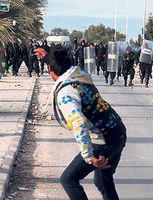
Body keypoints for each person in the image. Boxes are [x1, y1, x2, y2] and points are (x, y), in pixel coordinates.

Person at [34, 46, 126, 200]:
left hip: (104, 139)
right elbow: (63, 67)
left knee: (68, 179)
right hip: (118, 131)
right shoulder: (80, 74)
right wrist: (47, 57)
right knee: (103, 181)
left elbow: (79, 123)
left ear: (50, 68)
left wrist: (89, 157)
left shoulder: (66, 93)